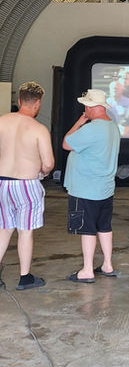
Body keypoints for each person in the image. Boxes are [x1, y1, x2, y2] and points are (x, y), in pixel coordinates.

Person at [0, 81, 54, 290]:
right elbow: (48, 163)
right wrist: (44, 171)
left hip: (2, 183)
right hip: (26, 185)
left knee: (4, 228)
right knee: (25, 231)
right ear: (38, 103)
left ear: (19, 100)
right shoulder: (39, 129)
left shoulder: (2, 122)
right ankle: (25, 278)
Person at [63, 89, 120, 283]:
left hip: (86, 187)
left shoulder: (92, 129)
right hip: (105, 187)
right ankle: (107, 265)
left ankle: (87, 270)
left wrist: (79, 123)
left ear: (94, 107)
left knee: (87, 229)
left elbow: (66, 143)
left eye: (86, 105)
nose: (84, 109)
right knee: (104, 226)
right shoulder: (112, 127)